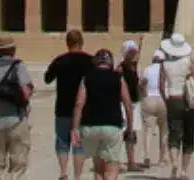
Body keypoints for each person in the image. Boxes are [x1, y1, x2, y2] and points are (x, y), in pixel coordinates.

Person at [74, 49, 135, 180]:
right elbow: (128, 105)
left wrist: (74, 128)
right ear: (111, 62)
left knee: (98, 169)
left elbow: (79, 103)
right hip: (112, 126)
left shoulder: (87, 78)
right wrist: (130, 128)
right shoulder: (118, 78)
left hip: (90, 126)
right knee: (112, 169)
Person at [0, 36, 35, 180]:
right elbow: (26, 92)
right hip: (16, 120)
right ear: (13, 50)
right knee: (18, 165)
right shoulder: (18, 66)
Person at [159, 34, 194, 180]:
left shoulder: (164, 64)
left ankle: (174, 163)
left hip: (173, 100)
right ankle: (184, 171)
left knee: (174, 133)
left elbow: (161, 86)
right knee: (189, 133)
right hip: (189, 101)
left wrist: (166, 100)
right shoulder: (188, 61)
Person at [46, 31, 94, 180]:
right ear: (81, 42)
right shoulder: (90, 61)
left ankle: (63, 173)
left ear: (67, 43)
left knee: (62, 141)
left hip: (62, 108)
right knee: (79, 143)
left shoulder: (60, 60)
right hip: (83, 110)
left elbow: (47, 78)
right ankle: (77, 176)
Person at [120, 41, 147, 170]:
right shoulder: (121, 68)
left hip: (135, 103)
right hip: (124, 104)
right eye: (131, 52)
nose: (134, 54)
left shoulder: (134, 67)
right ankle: (120, 161)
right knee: (123, 132)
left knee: (132, 133)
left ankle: (131, 162)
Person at [142, 54, 170, 167]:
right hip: (162, 99)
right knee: (164, 130)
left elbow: (142, 84)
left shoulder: (147, 69)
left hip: (149, 99)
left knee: (148, 130)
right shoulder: (166, 69)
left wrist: (143, 97)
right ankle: (162, 158)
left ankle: (147, 157)